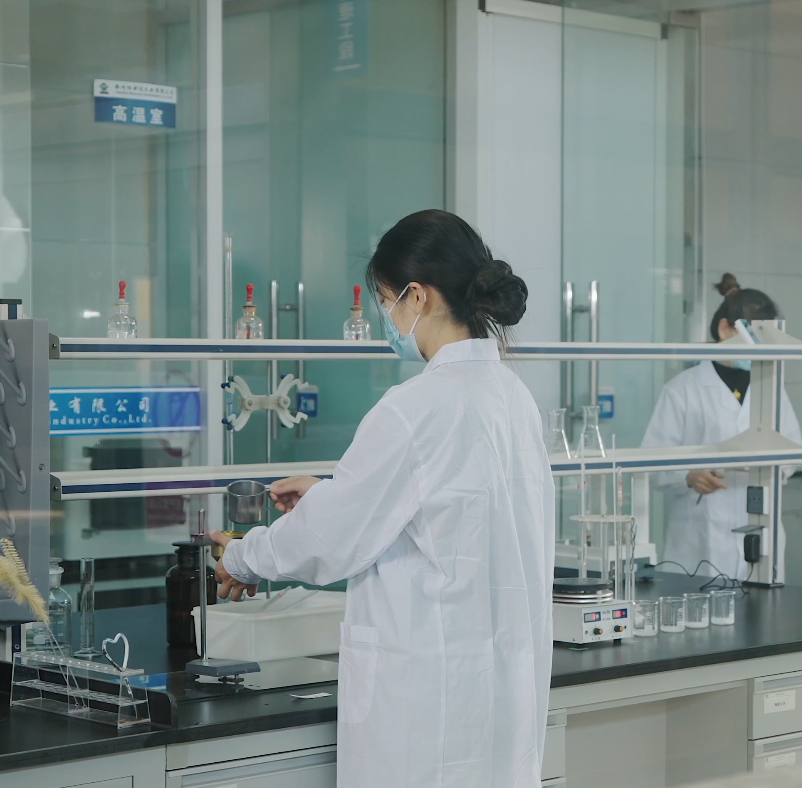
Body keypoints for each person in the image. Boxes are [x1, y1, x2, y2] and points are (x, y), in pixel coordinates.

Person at [211, 210, 555, 787]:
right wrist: (333, 494)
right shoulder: (513, 398)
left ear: (418, 296)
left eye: (386, 300)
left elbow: (330, 539)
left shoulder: (413, 408)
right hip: (499, 687)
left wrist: (243, 556)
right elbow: (445, 515)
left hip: (426, 699)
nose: (386, 319)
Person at [640, 274, 802, 580]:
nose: (759, 346)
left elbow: (792, 451)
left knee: (763, 606)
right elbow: (650, 464)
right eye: (753, 336)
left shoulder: (770, 386)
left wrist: (774, 466)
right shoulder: (683, 389)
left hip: (761, 532)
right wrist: (689, 475)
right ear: (725, 328)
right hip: (701, 537)